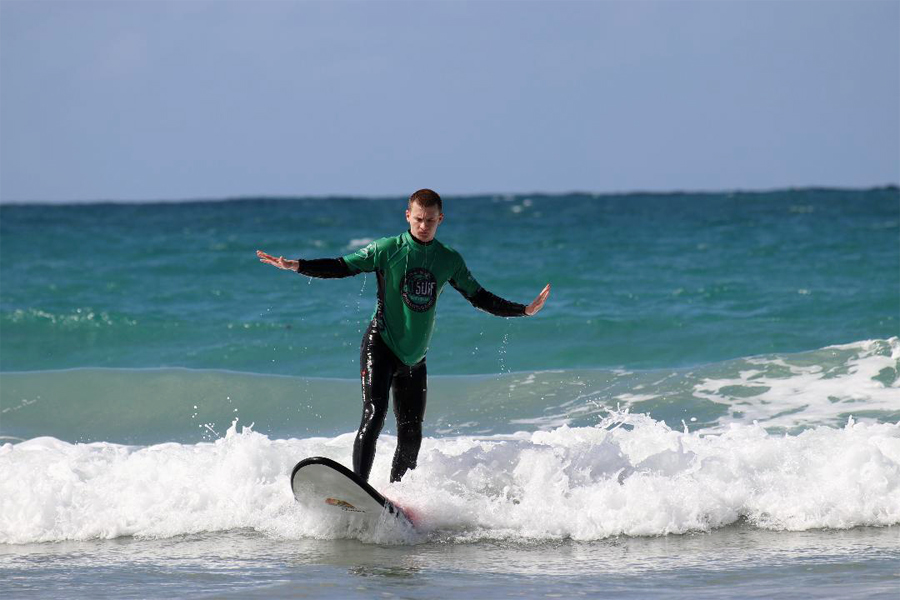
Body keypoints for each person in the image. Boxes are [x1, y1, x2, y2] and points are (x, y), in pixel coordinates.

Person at [257, 189, 550, 483]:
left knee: (411, 434)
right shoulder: (387, 249)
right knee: (374, 415)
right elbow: (342, 265)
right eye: (418, 219)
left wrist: (523, 310)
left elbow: (479, 297)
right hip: (381, 344)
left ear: (440, 219)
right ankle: (359, 487)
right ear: (407, 216)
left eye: (431, 221)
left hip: (415, 357)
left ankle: (397, 496)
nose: (424, 226)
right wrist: (298, 265)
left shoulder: (448, 259)